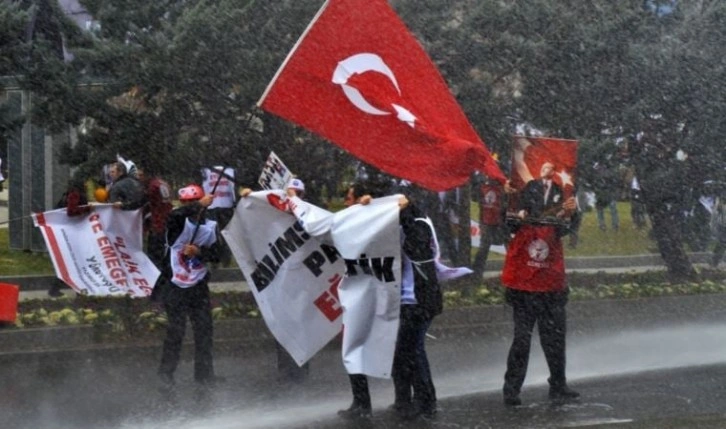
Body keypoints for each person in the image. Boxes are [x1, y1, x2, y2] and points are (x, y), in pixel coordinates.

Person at [334, 181, 441, 421]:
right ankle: (404, 400)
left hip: (418, 299)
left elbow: (419, 243)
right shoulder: (377, 228)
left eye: (350, 197)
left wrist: (406, 211)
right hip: (396, 299)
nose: (346, 203)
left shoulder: (416, 221)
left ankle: (425, 401)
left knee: (411, 350)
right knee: (400, 351)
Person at [501, 161, 580, 407]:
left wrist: (574, 210)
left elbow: (570, 226)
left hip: (550, 286)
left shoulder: (557, 211)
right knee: (522, 340)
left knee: (555, 339)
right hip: (524, 287)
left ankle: (558, 383)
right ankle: (511, 389)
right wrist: (510, 201)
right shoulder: (524, 203)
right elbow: (509, 221)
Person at [158, 184, 221, 386]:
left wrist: (199, 252)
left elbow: (220, 254)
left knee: (204, 330)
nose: (190, 207)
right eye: (186, 203)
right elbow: (174, 216)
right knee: (176, 330)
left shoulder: (211, 226)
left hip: (198, 285)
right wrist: (196, 205)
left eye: (194, 201)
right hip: (175, 285)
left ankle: (204, 374)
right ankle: (166, 373)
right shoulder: (176, 221)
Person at [48, 177, 92, 297]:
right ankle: (78, 290)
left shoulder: (69, 193)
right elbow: (71, 211)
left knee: (71, 262)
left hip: (69, 233)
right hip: (73, 233)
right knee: (77, 262)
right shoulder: (75, 194)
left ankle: (56, 288)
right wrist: (88, 208)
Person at [472, 175, 507, 277]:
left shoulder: (502, 189)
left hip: (500, 223)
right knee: (484, 248)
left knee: (508, 246)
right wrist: (481, 223)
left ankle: (513, 271)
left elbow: (505, 206)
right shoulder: (482, 188)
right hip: (486, 223)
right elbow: (477, 202)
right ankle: (477, 273)